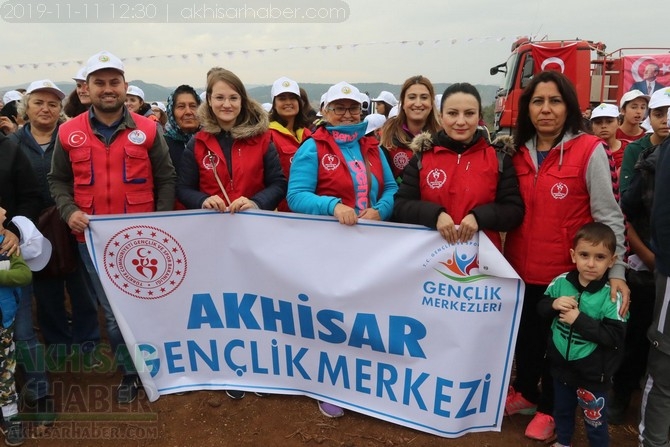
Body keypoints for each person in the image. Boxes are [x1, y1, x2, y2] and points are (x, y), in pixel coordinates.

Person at [503, 70, 629, 442]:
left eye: (555, 101)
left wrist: (617, 270)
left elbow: (608, 215)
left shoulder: (589, 149)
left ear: (569, 106)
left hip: (566, 274)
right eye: (538, 101)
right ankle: (526, 393)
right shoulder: (515, 152)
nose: (546, 109)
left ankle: (549, 411)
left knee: (557, 347)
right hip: (521, 268)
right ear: (527, 109)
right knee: (526, 337)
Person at [48, 50, 176, 404]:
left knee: (151, 304)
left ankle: (163, 364)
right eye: (99, 82)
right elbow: (57, 180)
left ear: (124, 85)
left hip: (143, 240)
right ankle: (131, 373)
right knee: (115, 314)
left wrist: (161, 223)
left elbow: (166, 179)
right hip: (93, 241)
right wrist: (69, 209)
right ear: (86, 89)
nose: (108, 89)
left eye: (114, 82)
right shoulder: (67, 132)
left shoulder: (148, 129)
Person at [287, 82, 398, 417]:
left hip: (370, 246)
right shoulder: (312, 148)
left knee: (367, 314)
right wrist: (333, 206)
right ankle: (331, 386)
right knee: (333, 317)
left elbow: (392, 187)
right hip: (329, 248)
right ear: (325, 111)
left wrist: (382, 209)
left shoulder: (372, 146)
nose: (347, 113)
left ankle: (365, 382)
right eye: (339, 107)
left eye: (353, 107)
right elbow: (296, 196)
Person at [11, 80, 101, 366]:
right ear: (26, 108)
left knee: (82, 284)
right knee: (45, 287)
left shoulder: (72, 136)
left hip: (71, 219)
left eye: (52, 103)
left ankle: (88, 345)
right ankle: (58, 347)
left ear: (60, 109)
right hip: (32, 227)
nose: (45, 109)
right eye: (38, 102)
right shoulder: (13, 143)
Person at [393, 82, 524, 250]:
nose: (460, 121)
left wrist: (479, 217)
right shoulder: (422, 156)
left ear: (479, 117)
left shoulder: (498, 158)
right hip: (430, 260)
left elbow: (513, 211)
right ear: (441, 117)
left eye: (469, 114)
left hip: (480, 263)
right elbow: (401, 205)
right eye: (452, 113)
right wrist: (434, 215)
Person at [611, 88, 670, 424]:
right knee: (636, 334)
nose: (665, 120)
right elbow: (628, 210)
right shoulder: (640, 154)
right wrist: (649, 257)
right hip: (646, 261)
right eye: (659, 113)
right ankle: (622, 394)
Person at [538, 222, 627, 447]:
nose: (590, 263)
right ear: (573, 255)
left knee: (595, 421)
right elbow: (540, 308)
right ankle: (564, 442)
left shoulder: (612, 297)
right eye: (584, 255)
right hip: (561, 369)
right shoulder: (561, 282)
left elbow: (614, 337)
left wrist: (578, 320)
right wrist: (553, 304)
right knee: (563, 411)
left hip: (594, 375)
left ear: (612, 261)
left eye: (600, 257)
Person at [177, 67, 286, 221]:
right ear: (209, 99)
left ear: (242, 100)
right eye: (220, 97)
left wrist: (256, 203)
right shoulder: (197, 143)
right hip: (212, 225)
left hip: (254, 224)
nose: (226, 104)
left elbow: (278, 184)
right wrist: (202, 200)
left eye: (233, 98)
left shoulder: (262, 140)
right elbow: (183, 188)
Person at [623, 118, 670, 447]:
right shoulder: (657, 156)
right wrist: (657, 261)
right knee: (661, 361)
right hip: (654, 270)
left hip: (659, 268)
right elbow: (641, 213)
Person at [0, 207, 32, 447]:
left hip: (3, 322)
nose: (4, 211)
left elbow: (23, 275)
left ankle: (11, 418)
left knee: (5, 371)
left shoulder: (6, 245)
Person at [379, 75, 441, 184]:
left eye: (424, 97)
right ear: (403, 102)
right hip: (397, 199)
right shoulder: (388, 135)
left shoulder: (443, 136)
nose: (418, 103)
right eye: (412, 97)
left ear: (431, 103)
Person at [267, 77, 311, 211]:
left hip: (307, 207)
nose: (288, 102)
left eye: (292, 98)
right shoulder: (267, 134)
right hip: (280, 209)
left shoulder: (308, 134)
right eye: (282, 98)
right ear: (274, 104)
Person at [163, 84, 201, 178]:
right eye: (181, 106)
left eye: (193, 106)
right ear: (171, 112)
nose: (188, 112)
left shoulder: (209, 141)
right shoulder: (162, 145)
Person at [590, 103, 628, 171]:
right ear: (592, 126)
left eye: (609, 121)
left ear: (619, 122)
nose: (603, 126)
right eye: (598, 122)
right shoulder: (587, 151)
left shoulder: (628, 149)